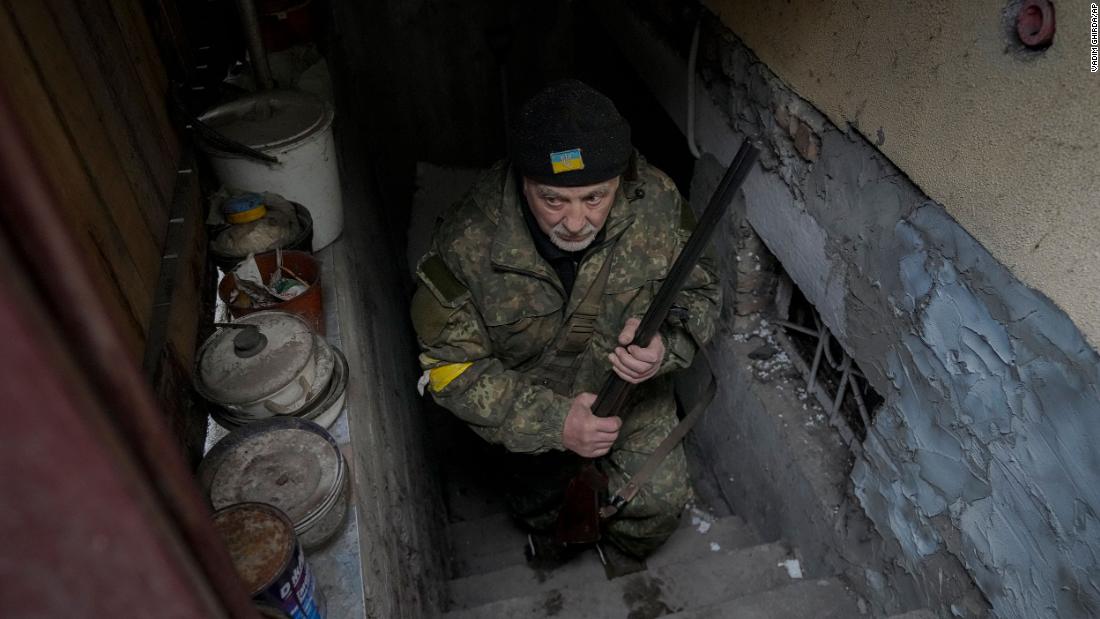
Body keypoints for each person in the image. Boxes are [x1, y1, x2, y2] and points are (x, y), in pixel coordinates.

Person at [410, 79, 721, 559]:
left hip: (630, 395)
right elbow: (449, 368)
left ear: (621, 179)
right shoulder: (467, 240)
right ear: (523, 181)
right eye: (553, 199)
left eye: (595, 198)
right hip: (534, 406)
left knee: (658, 508)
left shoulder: (655, 202)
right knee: (540, 513)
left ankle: (616, 568)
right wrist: (556, 424)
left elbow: (701, 288)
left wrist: (666, 345)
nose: (575, 222)